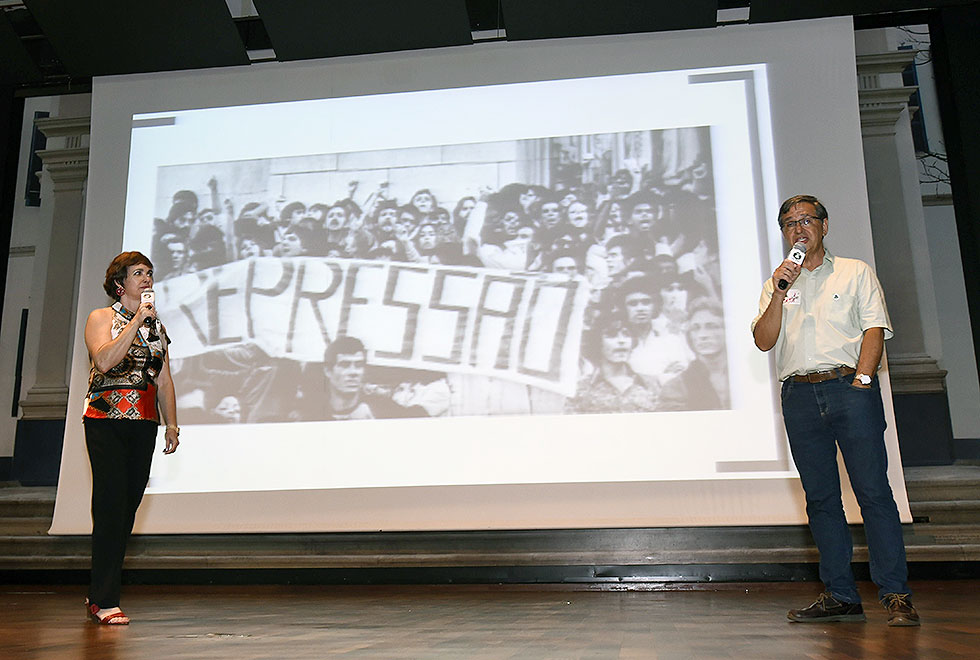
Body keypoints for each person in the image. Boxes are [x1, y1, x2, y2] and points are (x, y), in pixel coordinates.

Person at [751, 194, 919, 627]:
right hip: (800, 396)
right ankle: (841, 594)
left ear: (825, 225)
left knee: (873, 494)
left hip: (849, 388)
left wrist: (863, 381)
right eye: (789, 223)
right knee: (822, 500)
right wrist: (779, 290)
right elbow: (764, 340)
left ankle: (896, 594)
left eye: (806, 220)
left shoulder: (854, 271)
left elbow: (874, 328)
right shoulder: (777, 284)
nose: (798, 229)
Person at [82, 252, 179, 625]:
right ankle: (105, 601)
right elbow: (104, 361)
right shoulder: (102, 317)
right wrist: (137, 320)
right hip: (105, 421)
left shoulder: (158, 327)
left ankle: (98, 590)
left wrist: (171, 424)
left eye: (150, 273)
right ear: (119, 283)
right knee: (109, 508)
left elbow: (164, 378)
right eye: (139, 273)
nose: (147, 279)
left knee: (125, 512)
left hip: (143, 424)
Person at [659, 298, 729, 410]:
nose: (702, 335)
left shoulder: (742, 375)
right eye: (695, 329)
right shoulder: (676, 387)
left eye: (711, 327)